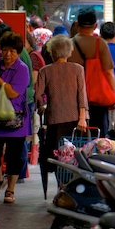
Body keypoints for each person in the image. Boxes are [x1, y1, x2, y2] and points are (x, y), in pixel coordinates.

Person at [35, 35, 88, 196]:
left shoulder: (45, 71)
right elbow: (82, 95)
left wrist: (41, 108)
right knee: (75, 154)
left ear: (52, 53)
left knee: (59, 155)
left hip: (55, 119)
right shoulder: (78, 69)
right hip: (76, 120)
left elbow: (37, 95)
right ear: (68, 52)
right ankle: (72, 187)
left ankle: (61, 187)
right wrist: (82, 117)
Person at [0, 31, 32, 204]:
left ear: (18, 53)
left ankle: (10, 189)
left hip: (16, 119)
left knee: (14, 157)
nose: (8, 54)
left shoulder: (22, 68)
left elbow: (12, 92)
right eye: (5, 50)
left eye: (12, 51)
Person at [67, 9, 115, 135]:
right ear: (95, 26)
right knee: (99, 137)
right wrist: (114, 96)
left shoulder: (68, 45)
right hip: (97, 98)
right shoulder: (100, 44)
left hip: (74, 97)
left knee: (76, 137)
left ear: (77, 25)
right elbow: (109, 72)